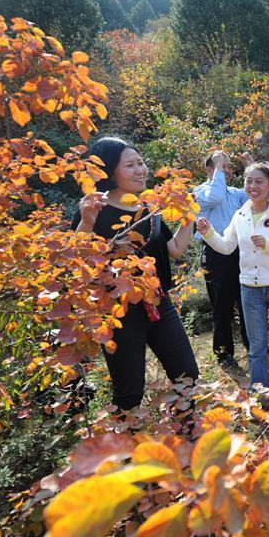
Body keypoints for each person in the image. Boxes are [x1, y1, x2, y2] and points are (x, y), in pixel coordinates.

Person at [73, 137, 199, 410]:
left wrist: (188, 216)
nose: (140, 170)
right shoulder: (95, 208)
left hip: (158, 304)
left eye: (141, 163)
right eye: (130, 165)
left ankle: (187, 430)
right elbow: (77, 263)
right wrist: (86, 221)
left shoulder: (148, 208)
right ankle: (127, 437)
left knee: (187, 375)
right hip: (119, 312)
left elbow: (175, 249)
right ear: (110, 171)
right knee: (129, 392)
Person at [197, 162, 269, 400]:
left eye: (259, 181)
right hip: (249, 288)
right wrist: (209, 234)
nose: (253, 186)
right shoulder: (240, 215)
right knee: (256, 347)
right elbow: (227, 247)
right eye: (249, 181)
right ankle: (260, 394)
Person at [194, 151, 251, 367]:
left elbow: (257, 197)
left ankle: (254, 345)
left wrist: (250, 167)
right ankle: (224, 353)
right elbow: (215, 196)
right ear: (210, 170)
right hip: (215, 253)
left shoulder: (235, 193)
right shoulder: (200, 191)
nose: (227, 171)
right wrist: (218, 166)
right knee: (222, 305)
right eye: (222, 167)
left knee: (247, 300)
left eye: (228, 167)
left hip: (239, 251)